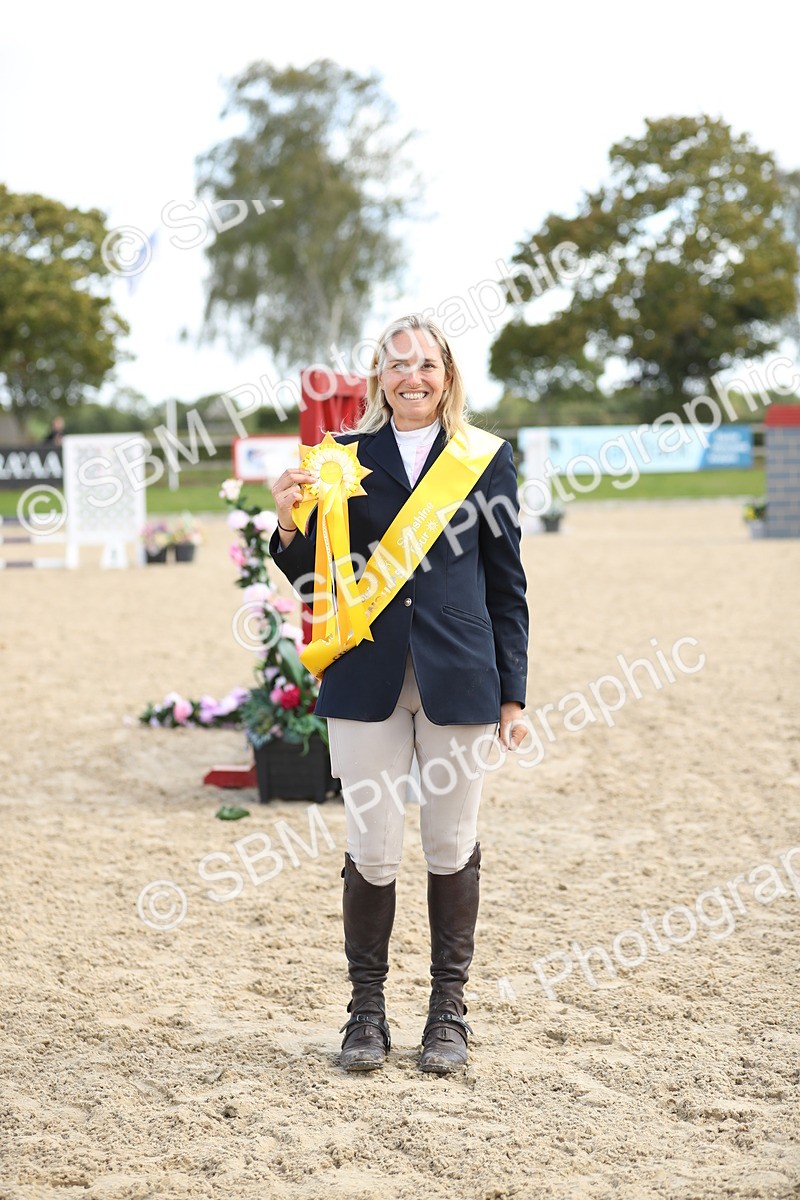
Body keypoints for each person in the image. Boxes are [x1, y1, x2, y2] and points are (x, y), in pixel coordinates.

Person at [268, 314, 529, 1074]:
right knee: (372, 847)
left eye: (426, 364)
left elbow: (507, 584)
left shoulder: (486, 459)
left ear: (447, 374)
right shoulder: (341, 457)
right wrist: (286, 524)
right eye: (396, 364)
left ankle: (448, 1012)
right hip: (366, 677)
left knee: (450, 844)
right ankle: (366, 1013)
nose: (412, 376)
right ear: (378, 376)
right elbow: (318, 580)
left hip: (462, 678)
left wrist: (514, 693)